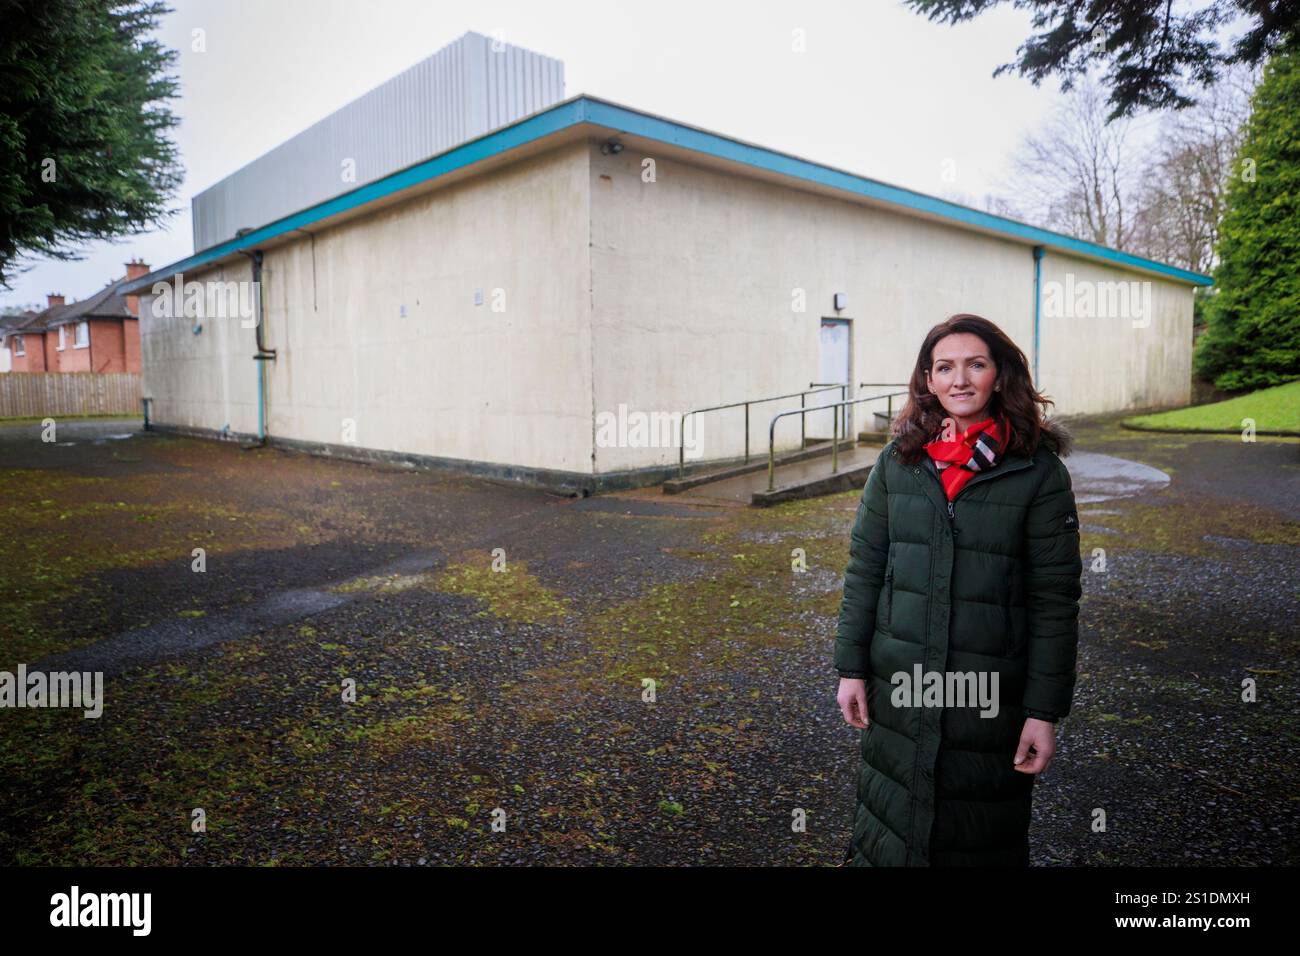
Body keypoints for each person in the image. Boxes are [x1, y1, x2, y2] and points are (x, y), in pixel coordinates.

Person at [834, 313, 1083, 867]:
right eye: (944, 367)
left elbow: (1054, 601)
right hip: (900, 685)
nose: (960, 380)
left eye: (976, 364)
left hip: (990, 697)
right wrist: (851, 667)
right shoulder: (898, 463)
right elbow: (865, 569)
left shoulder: (1038, 473)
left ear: (1001, 374)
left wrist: (1043, 711)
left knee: (976, 835)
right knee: (890, 828)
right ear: (927, 379)